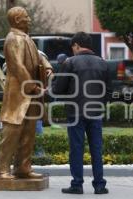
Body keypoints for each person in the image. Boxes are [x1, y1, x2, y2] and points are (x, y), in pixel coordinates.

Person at [0, 6, 52, 180]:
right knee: (11, 132)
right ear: (18, 21)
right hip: (19, 93)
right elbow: (17, 66)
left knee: (29, 132)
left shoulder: (26, 38)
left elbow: (39, 56)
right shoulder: (13, 39)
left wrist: (47, 67)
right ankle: (1, 169)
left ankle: (23, 167)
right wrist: (32, 86)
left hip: (32, 94)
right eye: (26, 17)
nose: (30, 20)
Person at [52, 31, 110, 194]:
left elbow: (58, 89)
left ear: (77, 45)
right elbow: (108, 90)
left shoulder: (70, 63)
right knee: (96, 149)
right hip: (96, 112)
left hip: (75, 112)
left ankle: (77, 184)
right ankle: (99, 185)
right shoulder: (103, 63)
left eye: (73, 47)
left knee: (76, 148)